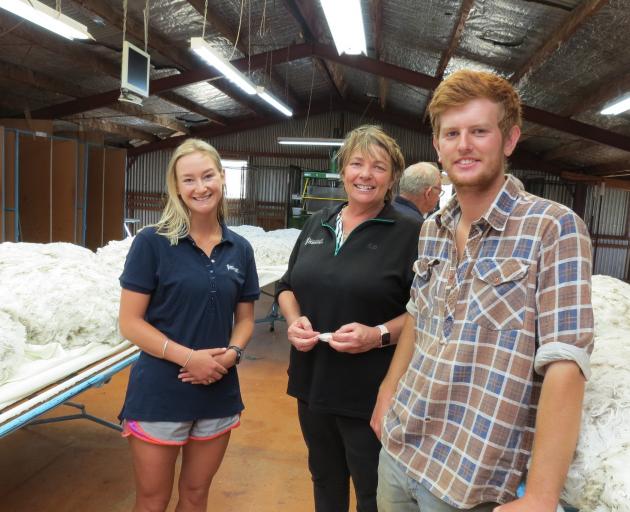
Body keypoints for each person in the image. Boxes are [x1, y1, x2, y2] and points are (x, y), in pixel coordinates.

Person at [372, 69, 594, 511]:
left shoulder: (553, 228)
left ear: (509, 139)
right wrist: (386, 394)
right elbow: (419, 315)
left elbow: (566, 360)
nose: (464, 144)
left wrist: (543, 496)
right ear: (437, 146)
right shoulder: (433, 228)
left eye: (479, 131)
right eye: (451, 133)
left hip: (469, 477)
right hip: (401, 447)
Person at [276, 125, 421, 512]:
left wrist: (377, 335)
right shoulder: (317, 223)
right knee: (325, 479)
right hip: (312, 381)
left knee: (372, 491)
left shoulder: (411, 232)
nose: (365, 174)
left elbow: (426, 311)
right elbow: (288, 286)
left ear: (392, 177)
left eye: (378, 166)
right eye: (356, 164)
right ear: (343, 171)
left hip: (369, 391)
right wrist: (294, 321)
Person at [118, 138, 260, 512]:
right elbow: (130, 322)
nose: (201, 187)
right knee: (152, 500)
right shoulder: (152, 242)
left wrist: (231, 355)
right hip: (160, 392)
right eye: (189, 180)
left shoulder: (240, 248)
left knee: (196, 496)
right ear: (177, 188)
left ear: (222, 177)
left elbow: (245, 319)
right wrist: (187, 358)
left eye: (208, 176)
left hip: (218, 387)